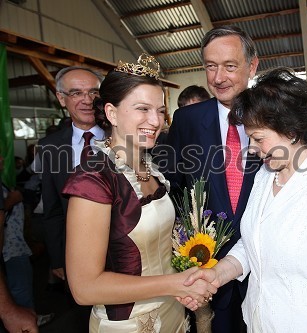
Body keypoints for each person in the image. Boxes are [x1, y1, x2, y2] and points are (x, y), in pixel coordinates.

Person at [182, 67, 307, 332]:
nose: (251, 148)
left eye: (258, 138)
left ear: (292, 131)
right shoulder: (265, 176)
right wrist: (217, 273)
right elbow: (253, 245)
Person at [61, 53, 216, 332]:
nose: (155, 121)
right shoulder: (94, 178)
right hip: (129, 322)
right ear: (111, 113)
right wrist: (174, 284)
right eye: (143, 109)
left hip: (172, 310)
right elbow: (84, 288)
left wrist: (188, 278)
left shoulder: (149, 167)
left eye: (159, 110)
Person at [159, 25, 262, 332]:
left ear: (252, 65)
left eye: (230, 66)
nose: (218, 78)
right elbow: (173, 184)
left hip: (265, 267)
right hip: (207, 269)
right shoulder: (188, 120)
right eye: (210, 67)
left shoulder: (275, 115)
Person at [38, 66, 105, 283]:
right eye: (76, 93)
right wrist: (57, 259)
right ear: (61, 98)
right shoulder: (50, 146)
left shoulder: (126, 138)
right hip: (77, 257)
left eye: (94, 92)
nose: (87, 100)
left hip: (126, 252)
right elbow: (53, 209)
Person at [0, 161, 38, 333]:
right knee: (20, 293)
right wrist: (9, 312)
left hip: (14, 246)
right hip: (10, 251)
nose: (2, 159)